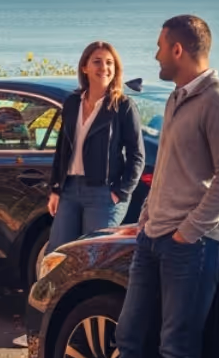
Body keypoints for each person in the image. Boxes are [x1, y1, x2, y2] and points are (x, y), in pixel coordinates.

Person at [66, 15, 219, 358]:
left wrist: (188, 231)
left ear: (179, 52)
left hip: (196, 246)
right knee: (129, 337)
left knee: (177, 350)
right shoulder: (175, 98)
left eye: (160, 47)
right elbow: (168, 169)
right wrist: (144, 222)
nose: (154, 54)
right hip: (153, 238)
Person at [46, 41, 145, 252]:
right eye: (97, 62)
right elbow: (62, 149)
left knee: (94, 258)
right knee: (58, 254)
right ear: (85, 67)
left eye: (109, 63)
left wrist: (120, 192)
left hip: (104, 194)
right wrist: (56, 189)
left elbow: (137, 156)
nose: (104, 68)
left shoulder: (123, 106)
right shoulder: (72, 103)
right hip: (70, 190)